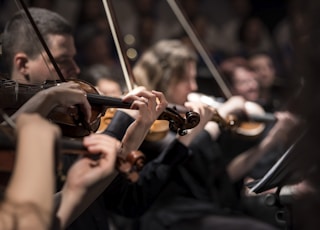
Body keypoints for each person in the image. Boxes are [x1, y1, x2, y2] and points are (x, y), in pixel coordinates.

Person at [1, 7, 208, 230]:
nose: (76, 68)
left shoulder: (71, 121)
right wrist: (47, 98)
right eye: (62, 60)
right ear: (22, 64)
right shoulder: (14, 139)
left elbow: (121, 199)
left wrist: (128, 143)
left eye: (74, 58)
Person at [131, 39, 301, 229]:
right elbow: (183, 152)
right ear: (165, 79)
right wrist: (221, 115)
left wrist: (270, 139)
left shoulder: (181, 118)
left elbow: (222, 175)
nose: (193, 87)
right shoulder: (150, 124)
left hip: (204, 209)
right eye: (186, 79)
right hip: (170, 216)